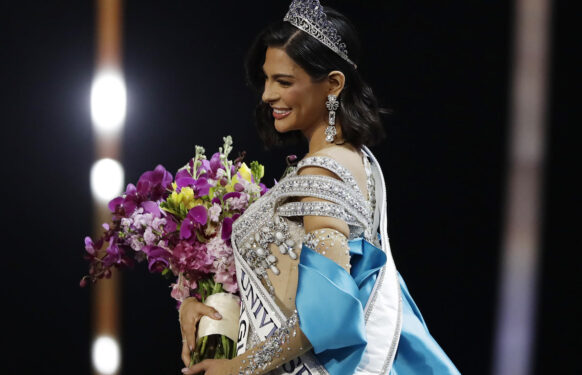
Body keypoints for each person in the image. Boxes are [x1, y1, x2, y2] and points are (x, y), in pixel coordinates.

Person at [179, 1, 460, 374]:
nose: (266, 95)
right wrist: (208, 306)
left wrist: (241, 367)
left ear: (333, 84)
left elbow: (329, 313)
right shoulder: (353, 160)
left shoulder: (322, 172)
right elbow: (294, 285)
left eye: (283, 82)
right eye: (266, 79)